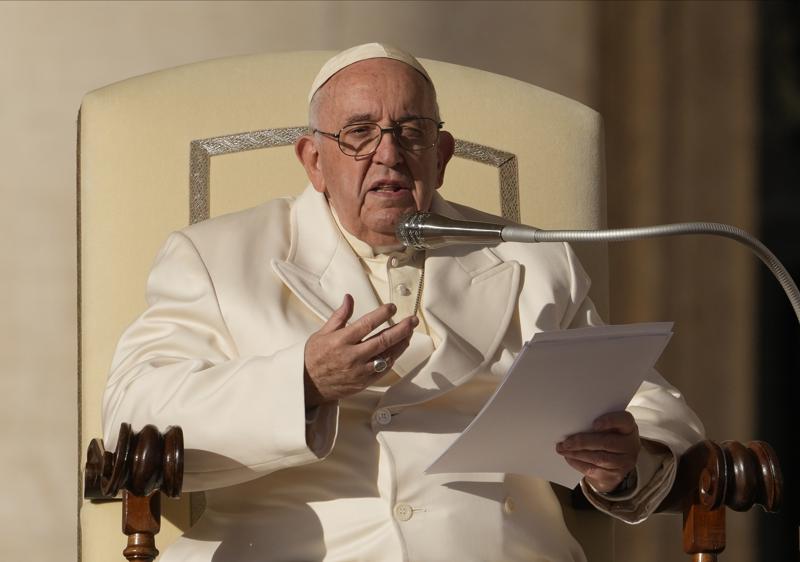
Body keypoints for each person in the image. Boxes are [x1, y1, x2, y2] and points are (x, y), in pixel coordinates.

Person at [103, 43, 704, 562]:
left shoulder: (533, 261)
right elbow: (132, 417)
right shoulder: (216, 258)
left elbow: (650, 405)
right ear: (314, 161)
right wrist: (303, 383)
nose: (388, 154)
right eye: (358, 133)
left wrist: (624, 461)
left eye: (410, 134)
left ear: (440, 157)